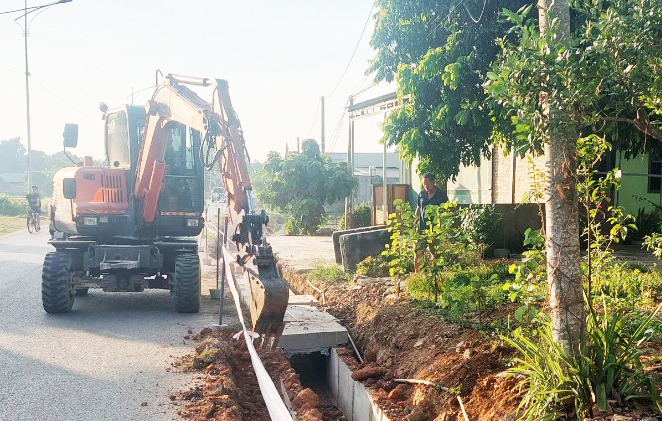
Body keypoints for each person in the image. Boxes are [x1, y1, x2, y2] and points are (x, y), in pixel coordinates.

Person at [414, 173, 448, 272]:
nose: (426, 186)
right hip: (421, 229)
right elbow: (418, 209)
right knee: (418, 253)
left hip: (435, 230)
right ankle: (417, 276)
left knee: (436, 254)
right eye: (424, 184)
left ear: (433, 182)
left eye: (428, 184)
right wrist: (414, 222)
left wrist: (443, 227)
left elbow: (446, 211)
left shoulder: (441, 195)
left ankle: (435, 276)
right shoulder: (421, 194)